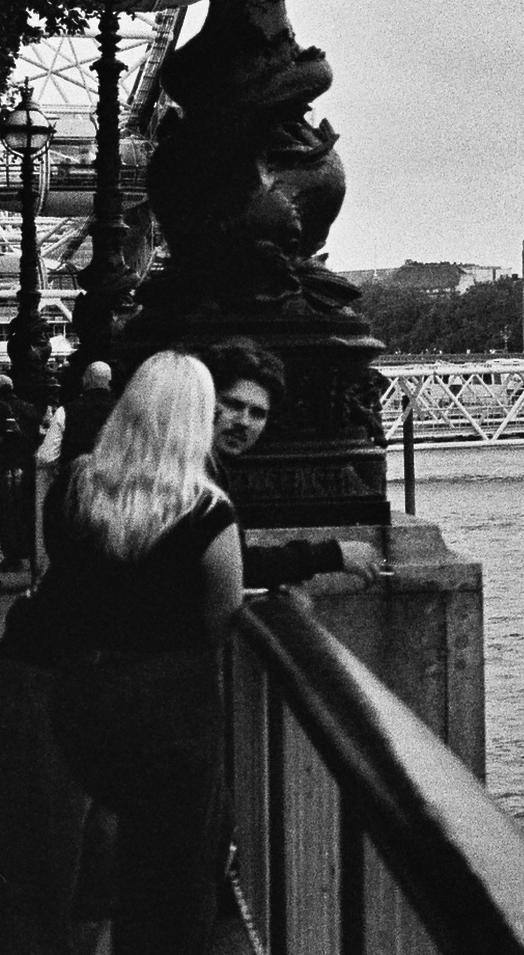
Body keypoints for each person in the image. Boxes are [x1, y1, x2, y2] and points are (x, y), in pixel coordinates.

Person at [0, 351, 241, 953]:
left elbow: (63, 570)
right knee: (169, 877)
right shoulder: (209, 513)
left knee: (64, 861)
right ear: (197, 420)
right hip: (162, 713)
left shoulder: (79, 483)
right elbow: (221, 616)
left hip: (66, 689)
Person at [190, 339, 379, 587]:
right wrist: (332, 555)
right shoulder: (192, 476)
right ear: (205, 400)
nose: (244, 421)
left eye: (258, 413)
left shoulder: (207, 468)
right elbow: (234, 567)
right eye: (234, 404)